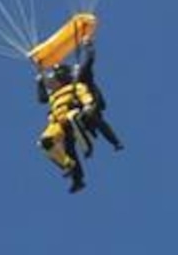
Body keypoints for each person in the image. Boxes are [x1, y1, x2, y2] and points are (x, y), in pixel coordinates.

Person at [34, 51, 122, 193]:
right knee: (45, 142)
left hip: (75, 116)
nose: (51, 82)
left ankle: (88, 145)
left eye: (54, 79)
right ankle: (69, 166)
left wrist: (88, 105)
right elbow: (42, 99)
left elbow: (85, 95)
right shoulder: (53, 96)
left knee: (74, 118)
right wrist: (39, 80)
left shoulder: (76, 87)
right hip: (58, 125)